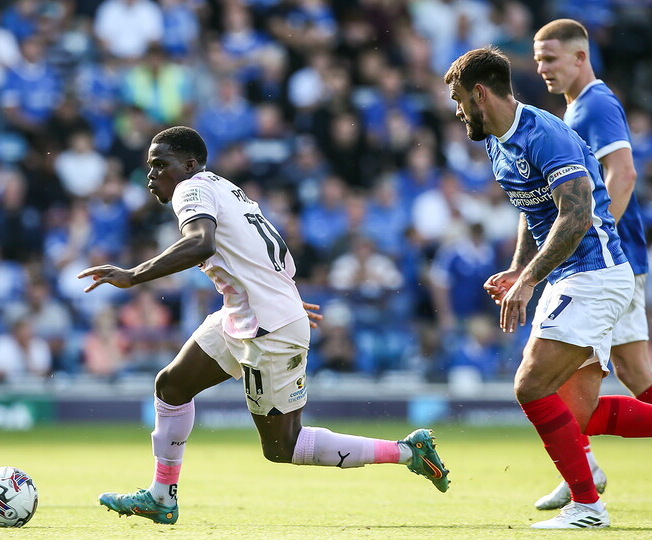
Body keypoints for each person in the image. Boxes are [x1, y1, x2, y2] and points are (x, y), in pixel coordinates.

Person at [78, 126, 449, 525]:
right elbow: (269, 252)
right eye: (149, 168)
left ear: (188, 165)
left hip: (267, 328)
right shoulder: (226, 188)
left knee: (282, 447)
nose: (151, 176)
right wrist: (280, 292)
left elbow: (201, 242)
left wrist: (133, 275)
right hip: (246, 313)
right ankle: (162, 496)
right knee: (171, 385)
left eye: (159, 165)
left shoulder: (191, 189)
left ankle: (408, 451)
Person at [443, 46, 652, 529]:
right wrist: (520, 267)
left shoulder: (545, 133)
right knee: (573, 415)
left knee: (530, 385)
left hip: (595, 273)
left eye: (460, 101)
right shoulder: (497, 143)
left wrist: (529, 281)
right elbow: (534, 209)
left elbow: (577, 214)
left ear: (481, 93)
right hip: (570, 277)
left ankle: (587, 506)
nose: (458, 112)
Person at [531, 18, 652, 512]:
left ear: (579, 56)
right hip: (612, 256)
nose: (542, 68)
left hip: (610, 258)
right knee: (627, 369)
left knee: (567, 370)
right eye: (537, 60)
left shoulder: (595, 104)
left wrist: (596, 238)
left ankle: (591, 473)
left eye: (550, 58)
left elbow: (624, 174)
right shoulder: (575, 109)